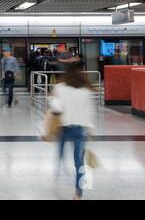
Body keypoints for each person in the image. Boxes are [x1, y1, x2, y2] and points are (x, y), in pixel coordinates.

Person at [49, 64, 96, 200]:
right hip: (80, 129)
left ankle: (56, 174)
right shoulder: (86, 90)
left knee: (60, 150)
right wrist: (91, 129)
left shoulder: (60, 88)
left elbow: (55, 105)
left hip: (63, 127)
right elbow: (89, 112)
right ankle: (78, 194)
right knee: (79, 162)